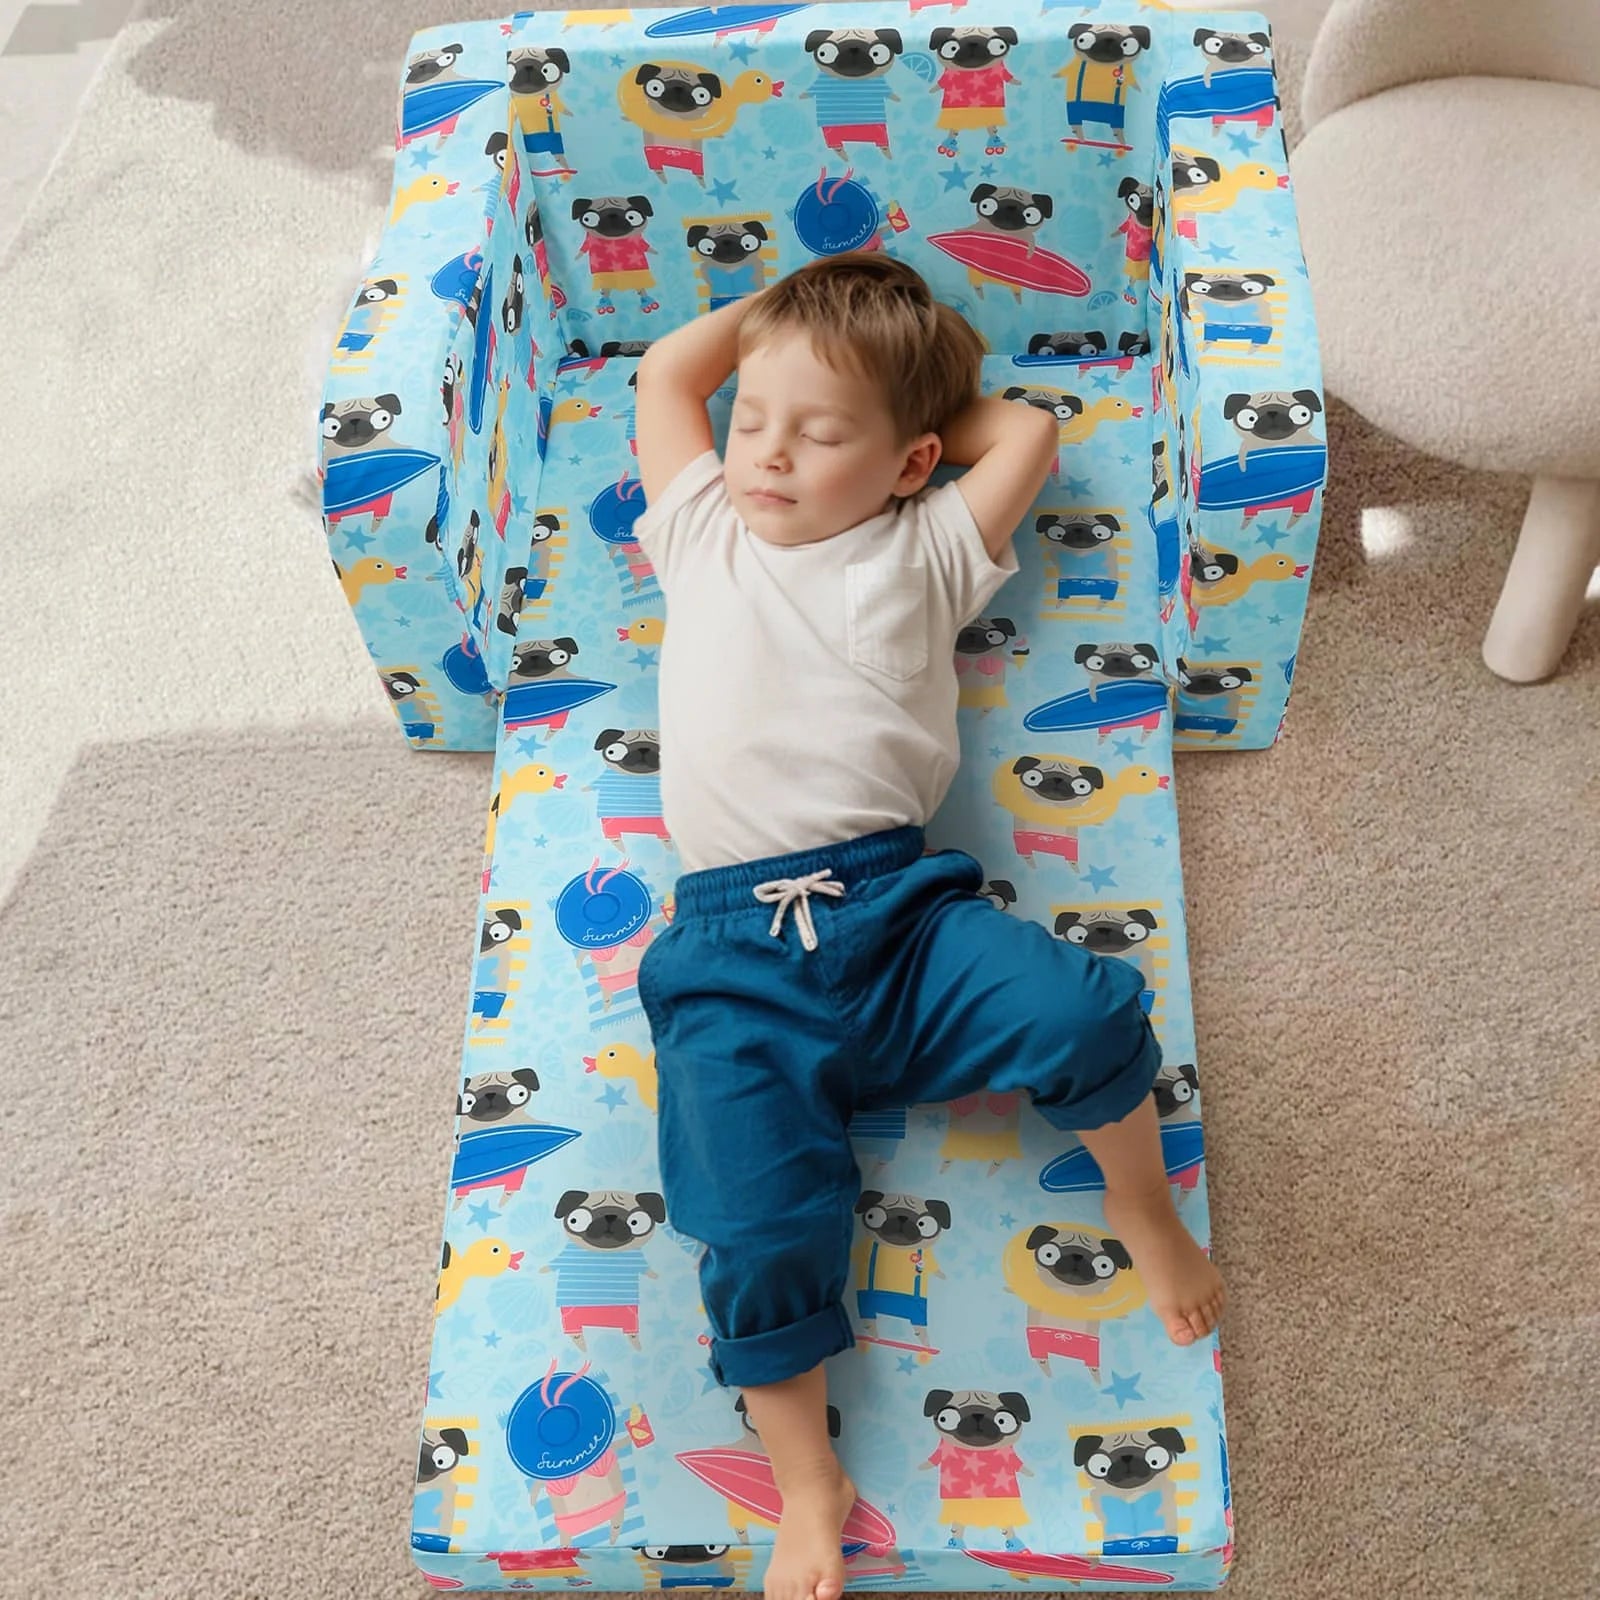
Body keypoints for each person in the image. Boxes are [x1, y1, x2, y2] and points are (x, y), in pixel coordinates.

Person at [630, 251, 1224, 1600]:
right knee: (748, 1219)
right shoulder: (703, 530)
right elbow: (671, 374)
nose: (767, 452)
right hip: (731, 956)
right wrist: (803, 306)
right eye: (754, 421)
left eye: (819, 433)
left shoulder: (929, 546)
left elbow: (1029, 432)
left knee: (1084, 1009)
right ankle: (809, 1483)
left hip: (897, 914)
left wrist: (903, 391)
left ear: (909, 463)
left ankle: (1145, 1213)